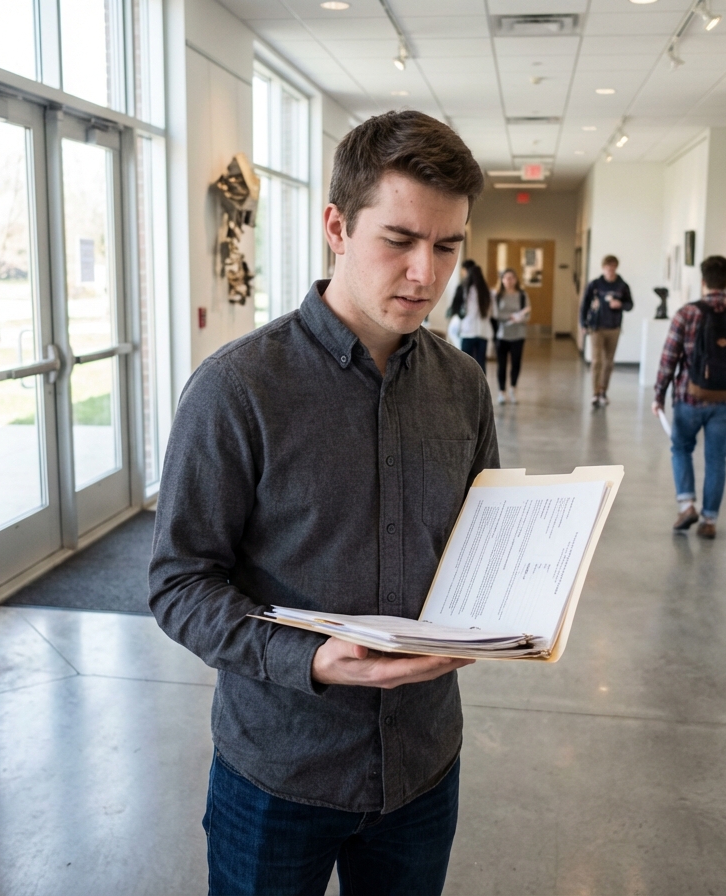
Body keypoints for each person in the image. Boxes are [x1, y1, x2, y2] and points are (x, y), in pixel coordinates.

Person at [149, 110, 497, 896]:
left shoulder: (463, 386)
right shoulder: (238, 389)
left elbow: (484, 543)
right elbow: (178, 584)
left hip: (422, 763)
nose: (426, 275)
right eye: (400, 240)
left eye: (448, 246)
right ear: (337, 225)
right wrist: (306, 659)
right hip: (279, 768)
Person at [652, 255, 726, 539]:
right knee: (717, 458)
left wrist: (659, 394)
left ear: (703, 280)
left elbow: (669, 358)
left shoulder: (687, 313)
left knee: (681, 448)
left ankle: (687, 504)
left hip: (690, 396)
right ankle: (710, 520)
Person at [580, 254, 633, 407]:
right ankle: (595, 393)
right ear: (603, 268)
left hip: (614, 328)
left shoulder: (622, 285)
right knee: (597, 361)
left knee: (609, 362)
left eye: (613, 267)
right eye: (607, 267)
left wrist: (620, 304)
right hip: (597, 327)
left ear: (616, 268)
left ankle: (603, 391)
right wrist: (583, 324)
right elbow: (584, 305)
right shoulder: (595, 285)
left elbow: (630, 305)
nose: (610, 270)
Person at [493, 268, 529, 404]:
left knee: (516, 363)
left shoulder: (522, 295)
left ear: (516, 279)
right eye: (506, 278)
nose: (509, 281)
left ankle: (513, 389)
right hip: (502, 335)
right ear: (502, 280)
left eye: (512, 278)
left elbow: (528, 313)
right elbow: (495, 314)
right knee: (501, 364)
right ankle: (502, 391)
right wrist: (509, 317)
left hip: (518, 334)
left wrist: (520, 318)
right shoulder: (498, 295)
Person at [457, 261, 492, 373]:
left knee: (465, 363)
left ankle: (466, 388)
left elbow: (462, 310)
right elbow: (491, 313)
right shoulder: (487, 292)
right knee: (481, 363)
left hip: (467, 331)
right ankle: (481, 389)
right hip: (483, 331)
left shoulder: (466, 290)